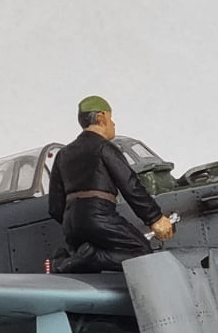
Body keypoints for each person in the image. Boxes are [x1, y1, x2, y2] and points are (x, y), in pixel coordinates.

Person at [48, 96, 174, 273]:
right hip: (99, 215)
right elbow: (130, 185)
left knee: (88, 263)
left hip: (71, 224)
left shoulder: (63, 154)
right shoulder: (104, 148)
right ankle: (89, 258)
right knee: (142, 254)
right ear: (101, 118)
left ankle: (69, 261)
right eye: (111, 117)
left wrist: (75, 219)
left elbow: (55, 207)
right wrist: (155, 218)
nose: (113, 123)